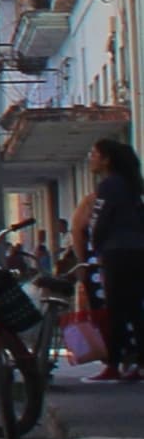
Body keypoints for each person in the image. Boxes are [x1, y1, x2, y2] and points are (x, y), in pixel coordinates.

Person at [86, 136, 144, 383]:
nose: (91, 158)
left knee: (116, 311)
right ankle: (139, 364)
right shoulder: (130, 186)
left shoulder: (109, 186)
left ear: (106, 160)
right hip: (137, 251)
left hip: (116, 253)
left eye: (94, 154)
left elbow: (98, 220)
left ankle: (113, 365)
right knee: (134, 310)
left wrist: (96, 247)